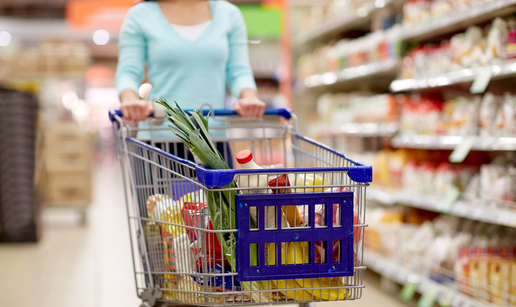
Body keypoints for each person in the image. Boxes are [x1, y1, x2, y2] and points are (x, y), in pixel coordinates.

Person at [116, 0, 266, 138]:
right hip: (159, 139)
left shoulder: (229, 14)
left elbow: (238, 70)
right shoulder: (140, 15)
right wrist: (130, 100)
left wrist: (249, 97)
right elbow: (129, 71)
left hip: (212, 141)